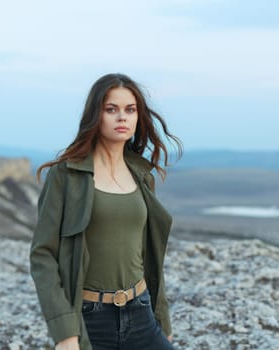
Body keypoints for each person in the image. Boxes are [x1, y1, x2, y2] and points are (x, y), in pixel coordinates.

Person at [30, 73, 182, 350]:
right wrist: (65, 333)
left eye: (130, 110)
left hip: (141, 312)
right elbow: (43, 256)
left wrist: (162, 320)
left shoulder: (141, 175)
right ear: (95, 116)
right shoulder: (66, 176)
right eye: (111, 109)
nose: (122, 117)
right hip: (90, 320)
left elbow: (148, 256)